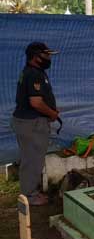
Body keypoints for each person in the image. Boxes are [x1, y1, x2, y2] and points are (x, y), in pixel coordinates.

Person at [12, 42, 60, 206]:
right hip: (32, 123)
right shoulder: (34, 74)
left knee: (30, 158)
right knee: (32, 159)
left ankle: (30, 191)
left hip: (28, 122)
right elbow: (36, 102)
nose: (48, 58)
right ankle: (29, 196)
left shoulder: (34, 72)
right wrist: (52, 113)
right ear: (36, 56)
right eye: (46, 55)